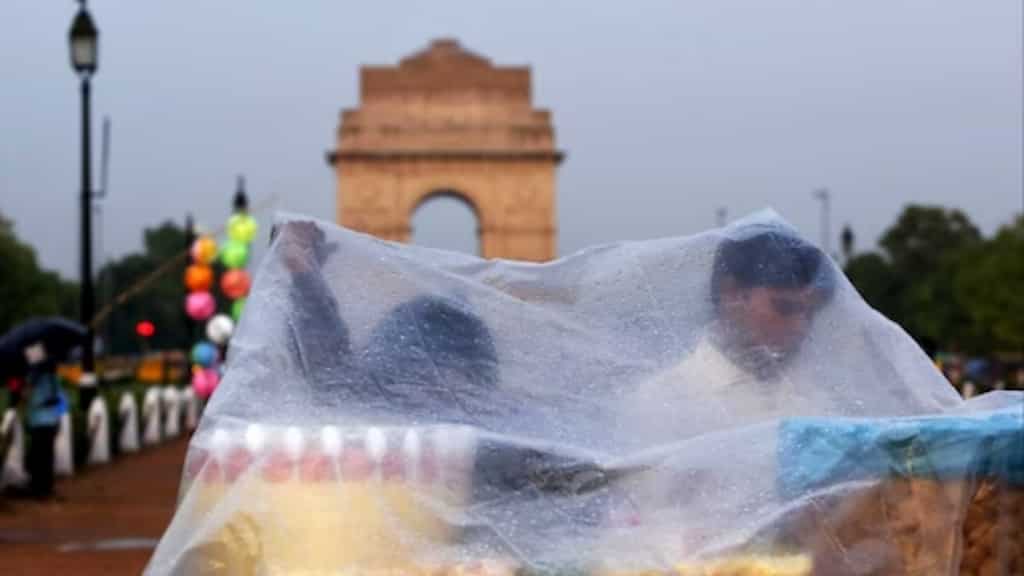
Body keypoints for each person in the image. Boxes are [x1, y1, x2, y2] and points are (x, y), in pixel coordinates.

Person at [622, 227, 836, 442]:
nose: (801, 327)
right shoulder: (665, 400)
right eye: (784, 308)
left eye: (810, 314)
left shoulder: (816, 400)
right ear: (731, 294)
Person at [23, 341, 67, 499]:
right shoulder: (52, 376)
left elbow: (26, 397)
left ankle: (38, 488)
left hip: (38, 421)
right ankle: (46, 488)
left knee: (37, 456)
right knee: (47, 456)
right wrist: (59, 417)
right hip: (50, 421)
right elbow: (61, 399)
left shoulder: (32, 378)